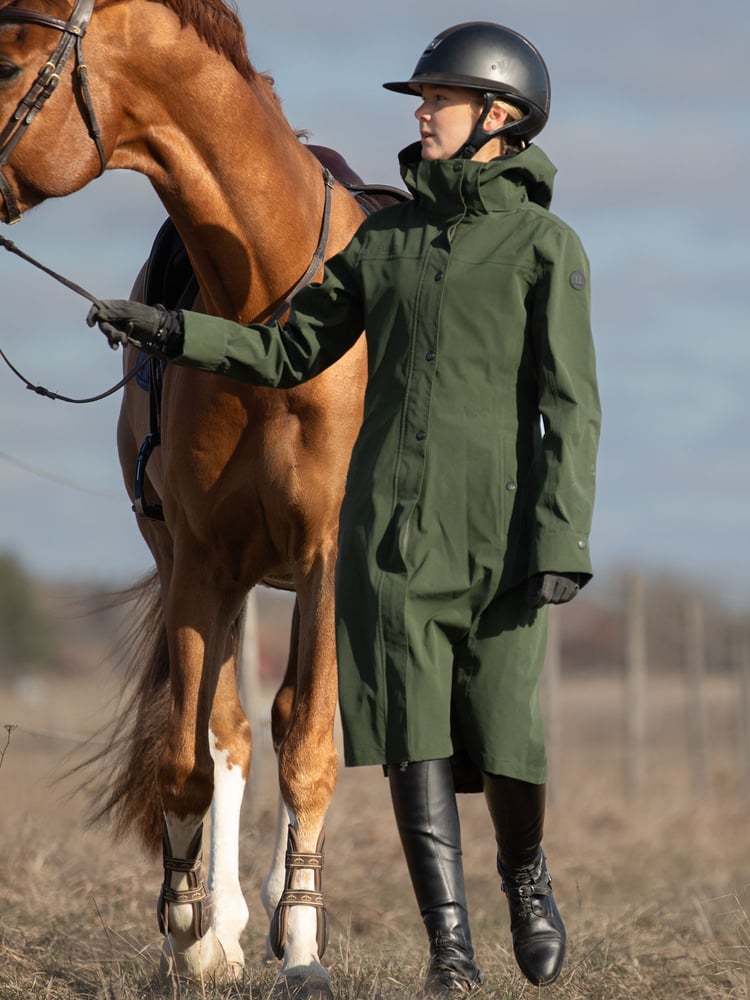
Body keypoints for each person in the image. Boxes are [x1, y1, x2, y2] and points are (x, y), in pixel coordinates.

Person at [87, 21, 600, 997]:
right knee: (414, 742)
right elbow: (288, 352)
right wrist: (166, 325)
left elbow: (572, 403)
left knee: (505, 738)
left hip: (501, 536)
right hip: (398, 535)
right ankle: (451, 953)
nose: (419, 112)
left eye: (438, 100)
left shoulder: (547, 245)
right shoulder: (388, 241)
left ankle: (525, 870)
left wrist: (561, 535)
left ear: (498, 118)